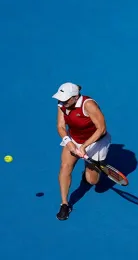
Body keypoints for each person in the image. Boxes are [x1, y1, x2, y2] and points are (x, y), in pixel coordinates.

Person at [52, 82, 111, 220]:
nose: (62, 102)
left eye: (66, 99)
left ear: (75, 97)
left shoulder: (89, 105)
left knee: (93, 182)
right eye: (61, 99)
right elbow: (60, 126)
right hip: (74, 140)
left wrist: (84, 146)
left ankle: (88, 173)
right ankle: (64, 204)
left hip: (96, 142)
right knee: (65, 167)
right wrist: (70, 143)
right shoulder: (62, 105)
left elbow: (101, 128)